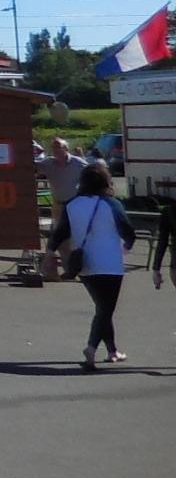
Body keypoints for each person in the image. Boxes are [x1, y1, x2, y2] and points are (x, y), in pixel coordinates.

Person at [45, 161, 137, 370]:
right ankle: (91, 348)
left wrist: (49, 253)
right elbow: (128, 231)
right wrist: (127, 247)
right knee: (105, 309)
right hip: (110, 263)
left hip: (84, 265)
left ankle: (113, 350)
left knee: (103, 307)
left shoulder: (72, 205)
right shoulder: (112, 204)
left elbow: (60, 233)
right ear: (106, 181)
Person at [34, 137, 87, 220]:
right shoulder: (48, 163)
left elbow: (92, 174)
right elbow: (33, 167)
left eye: (58, 147)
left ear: (66, 148)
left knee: (75, 228)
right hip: (58, 205)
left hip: (74, 203)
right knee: (58, 229)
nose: (55, 150)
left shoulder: (78, 163)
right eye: (53, 147)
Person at [152, 196, 175, 292]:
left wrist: (156, 268)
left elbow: (162, 241)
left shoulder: (169, 211)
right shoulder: (169, 211)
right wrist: (156, 268)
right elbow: (162, 241)